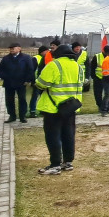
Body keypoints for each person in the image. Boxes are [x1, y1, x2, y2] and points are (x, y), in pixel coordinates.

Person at [34, 43, 83, 175]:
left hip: (53, 107)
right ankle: (68, 162)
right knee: (68, 135)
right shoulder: (78, 66)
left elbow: (41, 83)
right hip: (71, 107)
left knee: (53, 136)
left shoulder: (54, 65)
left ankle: (55, 164)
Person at [0, 42, 35, 123]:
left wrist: (27, 80)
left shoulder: (26, 58)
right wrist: (4, 76)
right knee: (9, 100)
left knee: (22, 99)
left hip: (21, 83)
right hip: (9, 82)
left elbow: (30, 69)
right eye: (10, 48)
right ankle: (12, 116)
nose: (11, 49)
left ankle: (22, 116)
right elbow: (0, 70)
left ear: (19, 48)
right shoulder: (6, 58)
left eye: (13, 48)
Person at [28, 45, 49, 118]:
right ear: (42, 52)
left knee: (44, 96)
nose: (48, 52)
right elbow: (32, 70)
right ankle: (32, 111)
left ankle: (42, 110)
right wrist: (32, 81)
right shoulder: (35, 58)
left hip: (45, 81)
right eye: (46, 51)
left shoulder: (48, 58)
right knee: (35, 96)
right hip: (37, 81)